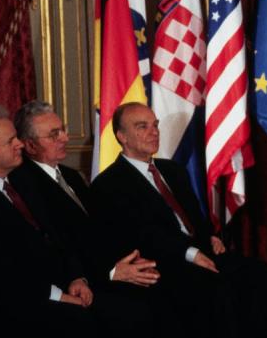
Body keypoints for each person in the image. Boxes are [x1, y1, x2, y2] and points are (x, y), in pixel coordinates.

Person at [90, 101, 267, 338]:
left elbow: (195, 217)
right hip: (162, 263)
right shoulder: (109, 184)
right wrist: (190, 253)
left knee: (259, 275)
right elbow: (143, 235)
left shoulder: (173, 170)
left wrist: (210, 235)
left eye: (155, 125)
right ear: (122, 136)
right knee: (214, 289)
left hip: (200, 251)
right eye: (142, 126)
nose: (154, 131)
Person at [9, 100, 160, 337]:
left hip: (101, 270)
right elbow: (58, 245)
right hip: (76, 282)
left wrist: (128, 261)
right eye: (53, 134)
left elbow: (99, 230)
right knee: (138, 311)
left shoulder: (70, 175)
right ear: (29, 145)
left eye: (63, 130)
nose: (65, 138)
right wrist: (111, 272)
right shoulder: (24, 184)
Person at [0, 105, 96, 338]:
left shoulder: (19, 184)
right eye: (10, 141)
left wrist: (76, 277)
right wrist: (59, 296)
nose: (20, 145)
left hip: (42, 289)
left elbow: (55, 239)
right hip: (4, 310)